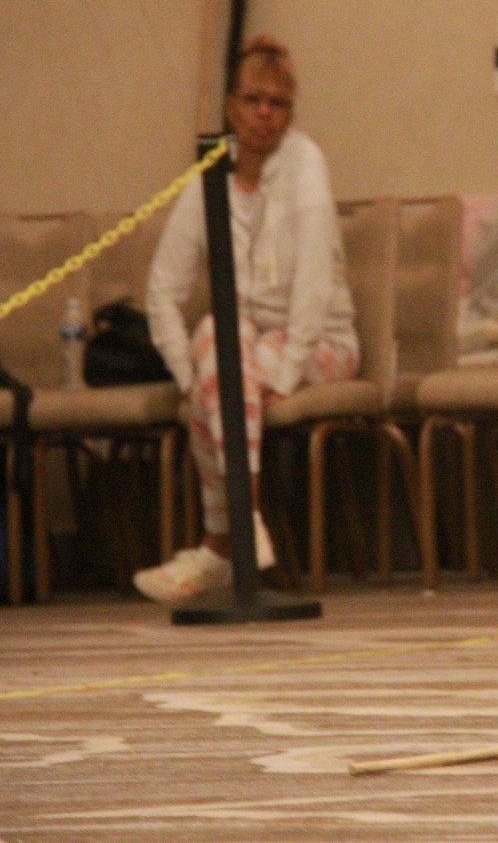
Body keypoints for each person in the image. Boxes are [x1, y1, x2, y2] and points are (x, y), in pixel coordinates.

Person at [135, 35, 359, 605]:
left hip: (321, 341)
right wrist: (188, 377)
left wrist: (286, 372)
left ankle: (222, 538)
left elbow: (314, 282)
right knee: (215, 339)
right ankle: (245, 523)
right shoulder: (211, 172)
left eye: (278, 103)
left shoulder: (305, 162)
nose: (265, 114)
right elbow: (162, 287)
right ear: (231, 107)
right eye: (253, 100)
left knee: (227, 368)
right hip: (242, 344)